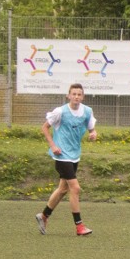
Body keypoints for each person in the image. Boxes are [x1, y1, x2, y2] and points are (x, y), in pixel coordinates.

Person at [35, 83, 97, 236]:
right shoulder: (60, 111)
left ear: (83, 96)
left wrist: (93, 134)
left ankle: (43, 216)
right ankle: (79, 226)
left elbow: (91, 128)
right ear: (68, 96)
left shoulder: (87, 112)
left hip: (74, 155)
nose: (76, 97)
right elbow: (44, 127)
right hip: (61, 155)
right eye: (73, 94)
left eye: (79, 94)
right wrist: (53, 145)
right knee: (75, 188)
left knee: (63, 189)